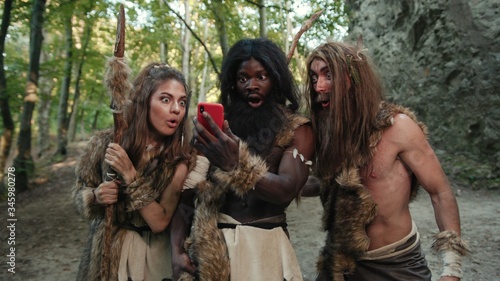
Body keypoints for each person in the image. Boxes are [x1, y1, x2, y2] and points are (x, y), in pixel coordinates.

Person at [303, 39, 470, 281]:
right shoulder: (329, 133)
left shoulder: (398, 127)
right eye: (314, 77)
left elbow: (440, 191)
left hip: (396, 266)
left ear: (353, 77)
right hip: (338, 264)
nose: (319, 86)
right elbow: (333, 185)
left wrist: (452, 269)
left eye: (328, 75)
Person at [178, 38, 315, 280]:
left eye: (261, 77)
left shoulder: (297, 128)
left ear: (276, 80)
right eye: (243, 78)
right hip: (214, 252)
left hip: (267, 249)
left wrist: (235, 165)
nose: (251, 85)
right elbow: (187, 193)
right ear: (233, 83)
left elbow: (287, 189)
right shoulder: (218, 128)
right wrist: (176, 248)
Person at [72, 62, 202, 281]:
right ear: (144, 101)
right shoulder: (105, 143)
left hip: (153, 259)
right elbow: (78, 194)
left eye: (182, 102)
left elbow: (160, 221)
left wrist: (131, 176)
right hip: (106, 255)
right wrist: (95, 197)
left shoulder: (180, 159)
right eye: (165, 99)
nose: (176, 109)